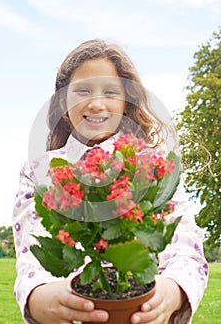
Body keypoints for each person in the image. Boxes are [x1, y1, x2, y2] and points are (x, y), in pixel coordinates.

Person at [13, 39, 208, 324]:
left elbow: (184, 245)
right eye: (82, 91)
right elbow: (35, 252)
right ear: (62, 102)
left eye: (110, 92)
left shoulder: (152, 164)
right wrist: (39, 297)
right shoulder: (40, 171)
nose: (96, 103)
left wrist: (172, 291)